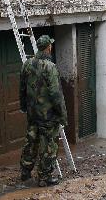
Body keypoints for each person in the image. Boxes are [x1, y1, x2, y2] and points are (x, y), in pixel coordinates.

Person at [19, 35, 68, 187]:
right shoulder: (50, 67)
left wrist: (23, 106)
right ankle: (44, 177)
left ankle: (25, 172)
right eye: (51, 46)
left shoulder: (27, 64)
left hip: (32, 113)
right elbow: (56, 94)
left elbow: (22, 89)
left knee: (31, 141)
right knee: (48, 146)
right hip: (48, 116)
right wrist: (62, 115)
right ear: (48, 47)